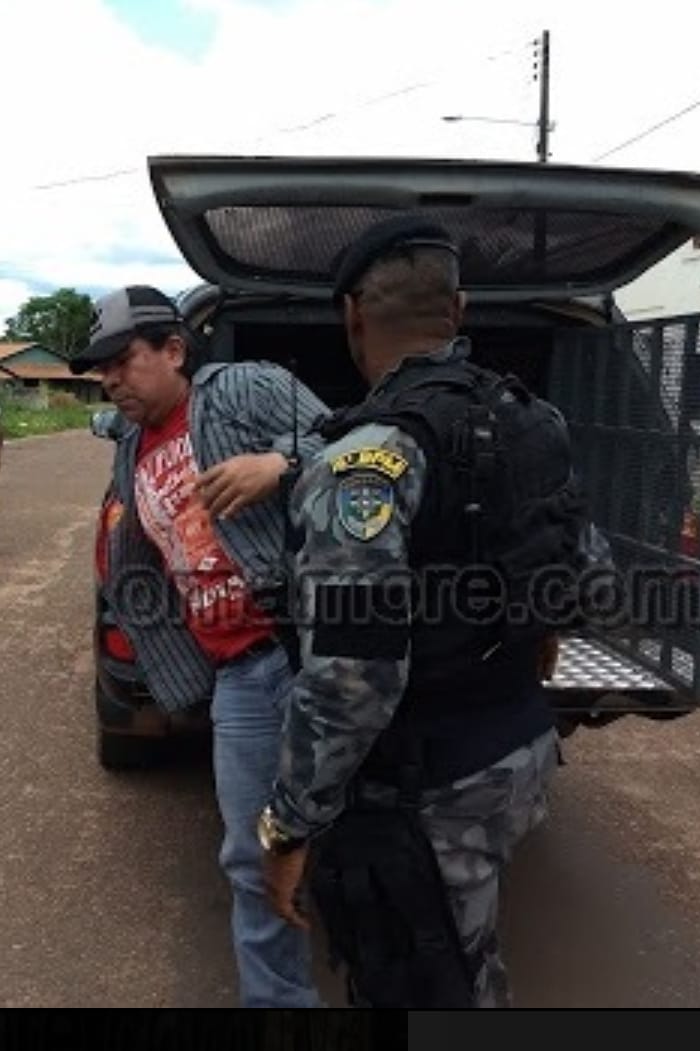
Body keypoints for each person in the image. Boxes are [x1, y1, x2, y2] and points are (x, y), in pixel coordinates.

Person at [257, 216, 608, 1007]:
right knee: (465, 952)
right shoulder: (534, 421)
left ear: (351, 315)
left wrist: (289, 825)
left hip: (426, 784)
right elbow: (586, 571)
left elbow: (354, 677)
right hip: (517, 745)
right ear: (459, 307)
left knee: (417, 979)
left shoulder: (362, 462)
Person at [69, 286, 328, 1008]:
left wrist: (278, 465)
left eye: (123, 360)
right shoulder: (131, 440)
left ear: (175, 350)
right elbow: (100, 418)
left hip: (306, 654)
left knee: (361, 838)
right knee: (252, 855)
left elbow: (350, 443)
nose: (112, 379)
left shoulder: (241, 390)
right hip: (238, 679)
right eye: (101, 370)